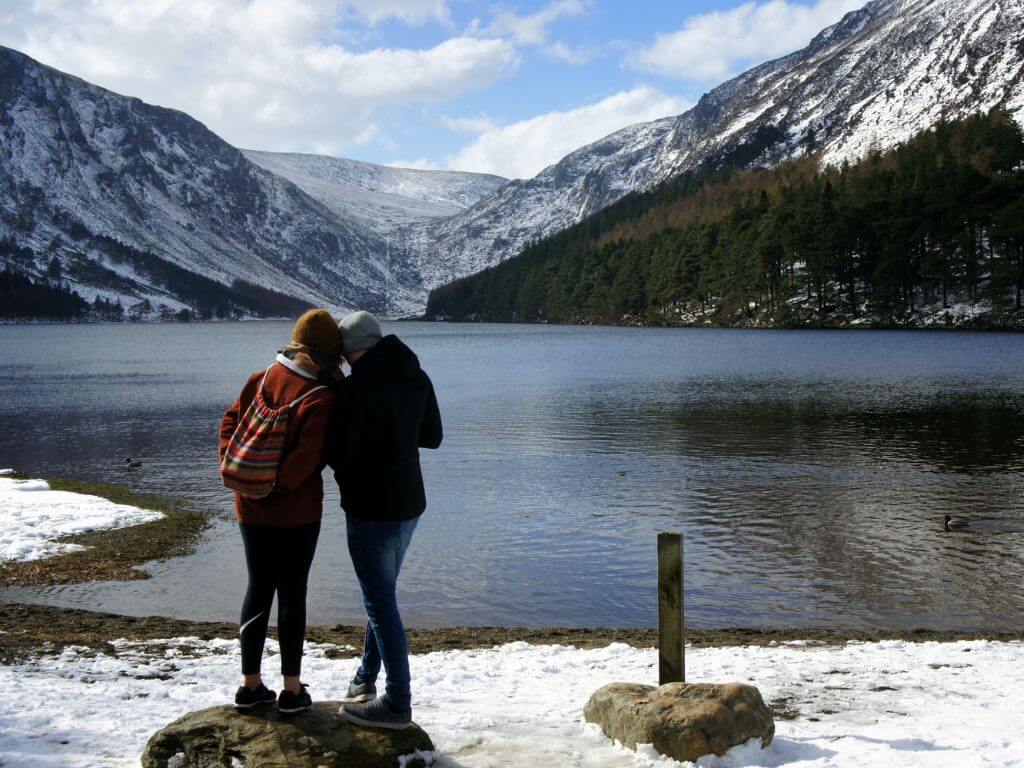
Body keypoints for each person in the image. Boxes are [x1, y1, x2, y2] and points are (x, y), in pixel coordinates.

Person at [219, 309, 342, 714]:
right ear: (327, 353)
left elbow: (229, 423)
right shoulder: (321, 396)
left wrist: (242, 473)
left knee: (257, 588)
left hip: (248, 506)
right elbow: (308, 458)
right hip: (297, 513)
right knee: (292, 593)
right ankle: (292, 690)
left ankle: (249, 686)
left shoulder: (262, 377)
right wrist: (277, 485)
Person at [330, 311, 443, 729]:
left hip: (370, 509)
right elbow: (432, 437)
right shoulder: (417, 375)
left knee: (380, 605)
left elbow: (340, 454)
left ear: (348, 350)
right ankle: (364, 680)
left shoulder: (357, 387)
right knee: (382, 599)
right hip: (410, 504)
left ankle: (398, 702)